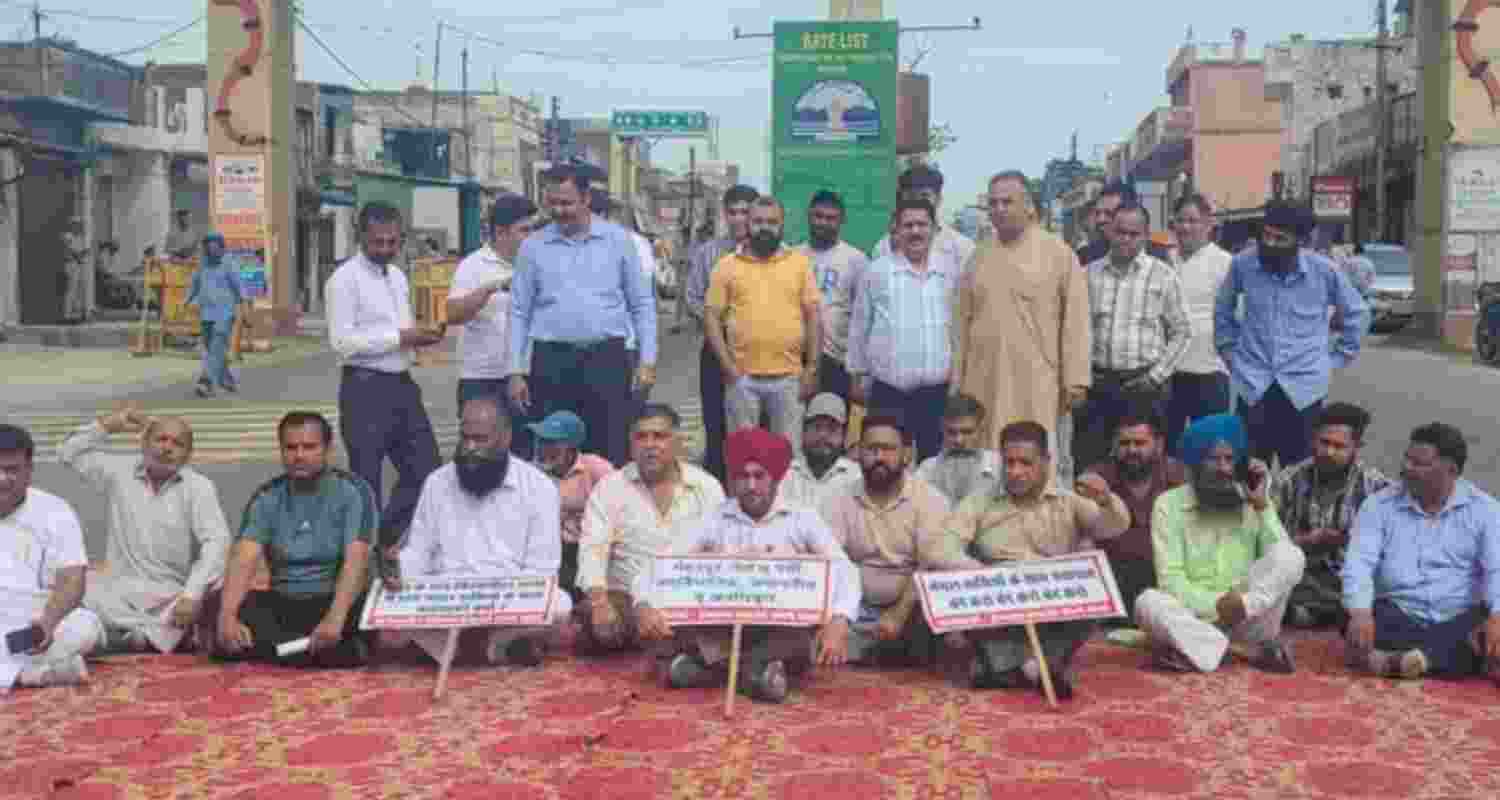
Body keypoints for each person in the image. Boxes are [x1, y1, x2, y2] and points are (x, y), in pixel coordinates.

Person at [636, 428, 860, 703]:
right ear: (732, 480)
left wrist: (839, 619)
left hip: (783, 632)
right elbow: (663, 562)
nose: (751, 486)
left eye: (759, 476)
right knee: (671, 631)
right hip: (725, 628)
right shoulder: (715, 518)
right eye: (743, 477)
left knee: (801, 643)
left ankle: (709, 670)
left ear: (775, 478)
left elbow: (843, 569)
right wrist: (644, 604)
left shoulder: (802, 518)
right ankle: (754, 675)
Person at [925, 421, 1129, 698]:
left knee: (1097, 586)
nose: (1015, 472)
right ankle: (1035, 667)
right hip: (998, 604)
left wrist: (1106, 501)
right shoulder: (979, 502)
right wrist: (988, 575)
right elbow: (940, 549)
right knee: (946, 583)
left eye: (1025, 463)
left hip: (1052, 605)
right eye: (1008, 463)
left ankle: (1004, 668)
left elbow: (1113, 527)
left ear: (1046, 462)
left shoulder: (1067, 501)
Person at [384, 398, 570, 668]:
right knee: (388, 601)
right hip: (446, 596)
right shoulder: (437, 482)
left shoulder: (539, 488)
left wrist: (489, 603)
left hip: (507, 597)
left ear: (505, 439)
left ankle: (470, 644)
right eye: (465, 437)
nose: (470, 448)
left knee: (559, 605)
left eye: (480, 439)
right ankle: (492, 647)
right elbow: (420, 552)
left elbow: (542, 570)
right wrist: (398, 568)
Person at [508, 164, 657, 467]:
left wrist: (648, 360)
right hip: (551, 362)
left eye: (567, 203)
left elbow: (641, 304)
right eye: (553, 204)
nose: (559, 211)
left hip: (607, 360)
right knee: (553, 453)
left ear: (586, 198)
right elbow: (519, 311)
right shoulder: (533, 247)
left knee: (609, 450)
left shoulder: (618, 241)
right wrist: (515, 370)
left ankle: (606, 513)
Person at [325, 202, 445, 573]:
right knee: (367, 480)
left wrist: (417, 339)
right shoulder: (343, 280)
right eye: (377, 242)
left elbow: (399, 332)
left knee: (427, 470)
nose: (385, 248)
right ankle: (361, 564)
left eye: (392, 241)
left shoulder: (397, 276)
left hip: (401, 386)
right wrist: (400, 336)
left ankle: (386, 537)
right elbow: (343, 342)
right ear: (360, 236)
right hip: (364, 387)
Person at [1135, 414, 1304, 674]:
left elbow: (1283, 559)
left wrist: (1263, 506)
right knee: (1147, 602)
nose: (1224, 468)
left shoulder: (1252, 501)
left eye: (1229, 459)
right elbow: (1171, 581)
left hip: (1250, 616)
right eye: (1214, 459)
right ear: (1194, 465)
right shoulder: (1168, 505)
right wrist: (1218, 607)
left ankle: (1201, 648)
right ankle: (1240, 652)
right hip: (1196, 617)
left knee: (1291, 554)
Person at [57, 407, 231, 653]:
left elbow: (216, 542)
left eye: (177, 444)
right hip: (117, 591)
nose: (167, 448)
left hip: (170, 595)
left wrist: (191, 596)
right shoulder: (119, 471)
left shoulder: (199, 487)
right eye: (160, 439)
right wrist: (111, 423)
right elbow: (68, 452)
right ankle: (149, 636)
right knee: (72, 584)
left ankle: (119, 635)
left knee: (213, 585)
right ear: (144, 443)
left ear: (187, 455)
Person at [952, 171, 1091, 474]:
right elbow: (961, 324)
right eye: (993, 203)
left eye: (1007, 202)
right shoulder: (978, 257)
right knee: (987, 462)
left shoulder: (1059, 254)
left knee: (1035, 453)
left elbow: (1076, 320)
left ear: (1029, 206)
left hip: (1037, 380)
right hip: (983, 378)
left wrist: (1076, 379)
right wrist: (957, 380)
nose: (999, 209)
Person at [214, 412, 379, 667]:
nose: (299, 455)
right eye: (291, 448)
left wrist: (335, 618)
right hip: (284, 601)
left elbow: (357, 562)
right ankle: (305, 650)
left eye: (309, 447)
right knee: (228, 620)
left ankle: (284, 650)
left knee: (358, 620)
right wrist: (227, 616)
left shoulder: (354, 491)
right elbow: (243, 558)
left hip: (336, 601)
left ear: (328, 450)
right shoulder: (267, 496)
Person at [1215, 201, 1369, 468]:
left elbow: (1358, 314)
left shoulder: (1324, 271)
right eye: (1266, 235)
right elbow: (1222, 310)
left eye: (1280, 238)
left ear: (1301, 240)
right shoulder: (1243, 265)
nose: (1270, 244)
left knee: (1300, 477)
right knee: (1245, 473)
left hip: (1303, 393)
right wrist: (1228, 352)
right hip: (1253, 387)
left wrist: (1335, 360)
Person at [1343, 423, 1500, 682]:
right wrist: (1360, 614)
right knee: (1351, 614)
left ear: (1452, 471)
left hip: (1459, 615)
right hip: (1398, 614)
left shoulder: (1485, 510)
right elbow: (1358, 563)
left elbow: (1497, 569)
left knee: (1485, 627)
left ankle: (1402, 660)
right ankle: (1454, 657)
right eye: (1407, 459)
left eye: (1420, 464)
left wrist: (1497, 617)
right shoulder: (1378, 505)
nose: (1406, 468)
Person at [576, 404, 725, 653]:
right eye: (641, 437)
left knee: (725, 623)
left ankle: (679, 648)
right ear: (631, 444)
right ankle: (684, 652)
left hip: (687, 598)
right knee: (592, 621)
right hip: (625, 600)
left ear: (677, 442)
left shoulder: (706, 488)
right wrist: (600, 603)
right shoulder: (610, 487)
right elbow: (592, 549)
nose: (650, 445)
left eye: (660, 436)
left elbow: (722, 554)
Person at [820, 412, 950, 665]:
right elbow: (830, 562)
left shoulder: (931, 500)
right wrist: (838, 618)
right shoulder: (838, 499)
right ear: (858, 453)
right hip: (855, 607)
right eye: (871, 449)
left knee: (930, 614)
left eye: (888, 449)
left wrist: (899, 614)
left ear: (907, 454)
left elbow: (930, 566)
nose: (879, 457)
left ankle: (882, 652)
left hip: (910, 607)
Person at [1074, 204, 1192, 473]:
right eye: (1119, 232)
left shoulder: (1163, 275)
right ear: (1109, 231)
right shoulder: (1087, 275)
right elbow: (1074, 331)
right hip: (1097, 386)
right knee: (1091, 465)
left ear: (1145, 236)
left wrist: (1156, 377)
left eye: (1133, 234)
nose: (1125, 239)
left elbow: (1182, 331)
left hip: (1146, 386)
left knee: (1146, 467)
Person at [848, 197, 961, 462]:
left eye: (922, 224)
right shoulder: (877, 271)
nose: (915, 231)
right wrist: (856, 376)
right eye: (908, 225)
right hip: (888, 392)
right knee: (885, 460)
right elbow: (859, 327)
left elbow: (960, 327)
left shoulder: (950, 271)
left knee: (934, 464)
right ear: (896, 230)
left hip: (937, 394)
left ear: (934, 229)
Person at [705, 196, 821, 443]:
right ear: (747, 224)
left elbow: (813, 316)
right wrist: (728, 368)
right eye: (758, 221)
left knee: (788, 458)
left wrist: (811, 368)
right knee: (743, 455)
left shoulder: (799, 264)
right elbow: (712, 318)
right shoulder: (726, 266)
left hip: (790, 379)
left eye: (772, 222)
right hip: (741, 379)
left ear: (782, 225)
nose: (765, 227)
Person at [0, 425, 103, 690]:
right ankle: (32, 675)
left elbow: (72, 579)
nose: (2, 479)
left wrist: (49, 620)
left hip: (38, 618)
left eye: (12, 470)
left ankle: (19, 669)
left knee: (83, 626)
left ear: (29, 470)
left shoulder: (54, 510)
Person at [1273, 402, 1390, 629]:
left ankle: (1315, 615)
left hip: (1348, 582)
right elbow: (1266, 542)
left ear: (1357, 448)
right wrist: (1306, 542)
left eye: (1339, 446)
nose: (1329, 452)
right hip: (1300, 578)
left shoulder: (1376, 487)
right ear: (1312, 440)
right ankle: (1317, 614)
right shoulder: (1289, 480)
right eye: (1324, 443)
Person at [447, 193, 537, 457]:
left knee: (523, 456)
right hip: (482, 379)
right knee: (479, 455)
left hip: (525, 377)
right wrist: (494, 287)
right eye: (524, 230)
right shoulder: (473, 266)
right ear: (501, 232)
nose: (531, 237)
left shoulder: (535, 264)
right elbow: (453, 313)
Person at [1079, 407, 1187, 619]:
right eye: (1124, 443)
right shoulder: (1096, 478)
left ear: (1159, 444)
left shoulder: (1178, 476)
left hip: (1167, 583)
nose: (1132, 451)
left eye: (1140, 443)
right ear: (1113, 445)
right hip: (1112, 585)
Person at [684, 185, 759, 480]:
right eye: (733, 212)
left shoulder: (774, 252)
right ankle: (716, 485)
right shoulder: (709, 253)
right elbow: (692, 298)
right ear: (725, 215)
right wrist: (718, 325)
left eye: (745, 212)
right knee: (715, 422)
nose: (739, 218)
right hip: (716, 348)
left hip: (758, 350)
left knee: (754, 423)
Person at [526, 410, 614, 607]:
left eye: (552, 443)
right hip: (551, 553)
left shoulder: (598, 469)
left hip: (593, 549)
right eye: (540, 441)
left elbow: (622, 511)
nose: (543, 449)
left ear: (572, 448)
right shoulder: (529, 475)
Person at [1166, 194, 1233, 451]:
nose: (1185, 227)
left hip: (1210, 371)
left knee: (1209, 448)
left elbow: (1236, 316)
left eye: (1193, 220)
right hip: (1168, 371)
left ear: (1208, 224)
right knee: (1167, 447)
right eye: (1180, 220)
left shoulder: (1225, 263)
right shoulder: (1164, 260)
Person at [798, 190, 870, 403]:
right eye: (818, 216)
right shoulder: (793, 256)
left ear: (842, 221)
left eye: (831, 218)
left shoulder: (856, 260)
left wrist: (859, 373)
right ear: (809, 217)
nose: (823, 223)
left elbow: (863, 317)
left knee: (833, 427)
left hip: (838, 360)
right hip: (797, 359)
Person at [871, 165, 975, 269]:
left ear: (938, 199)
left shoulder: (962, 247)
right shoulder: (884, 246)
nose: (918, 202)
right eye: (911, 197)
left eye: (925, 196)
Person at [185, 233, 246, 398]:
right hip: (206, 314)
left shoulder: (229, 263)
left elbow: (238, 285)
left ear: (221, 247)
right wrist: (187, 300)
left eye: (215, 246)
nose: (212, 250)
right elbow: (194, 283)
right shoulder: (202, 265)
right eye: (208, 246)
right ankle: (227, 379)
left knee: (216, 347)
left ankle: (206, 382)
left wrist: (245, 304)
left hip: (225, 313)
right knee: (213, 349)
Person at [777, 393, 861, 511]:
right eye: (816, 427)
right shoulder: (786, 475)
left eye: (832, 429)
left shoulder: (856, 477)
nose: (822, 435)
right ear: (804, 431)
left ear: (843, 435)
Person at [914, 393, 1001, 505]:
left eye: (967, 432)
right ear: (942, 430)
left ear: (981, 430)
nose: (959, 440)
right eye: (951, 432)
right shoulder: (926, 470)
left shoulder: (999, 465)